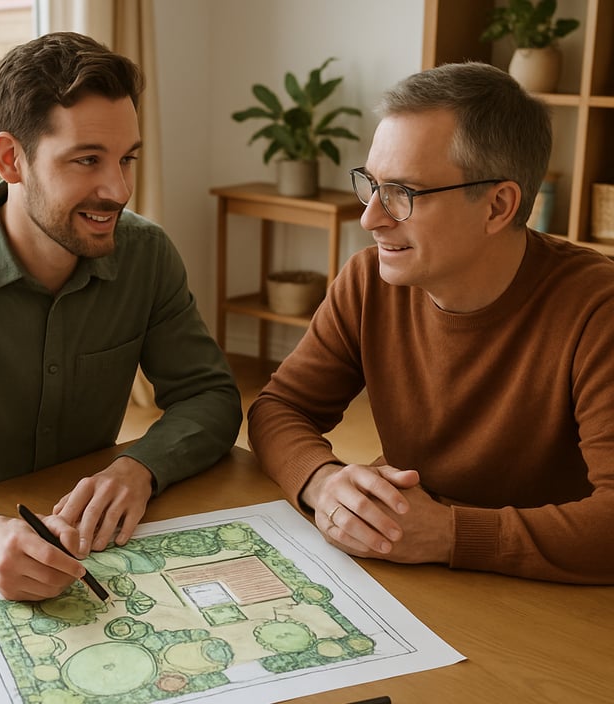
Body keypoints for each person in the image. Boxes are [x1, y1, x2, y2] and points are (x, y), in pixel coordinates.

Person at [0, 32, 241, 600]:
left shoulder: (147, 254)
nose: (119, 189)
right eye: (87, 160)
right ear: (11, 159)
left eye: (126, 158)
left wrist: (139, 468)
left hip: (87, 550)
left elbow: (210, 395)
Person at [248, 62, 614, 585]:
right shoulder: (368, 282)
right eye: (372, 185)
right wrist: (322, 481)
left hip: (552, 594)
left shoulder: (598, 310)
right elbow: (279, 407)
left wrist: (449, 534)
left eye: (402, 193)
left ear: (498, 206)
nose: (370, 218)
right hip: (414, 572)